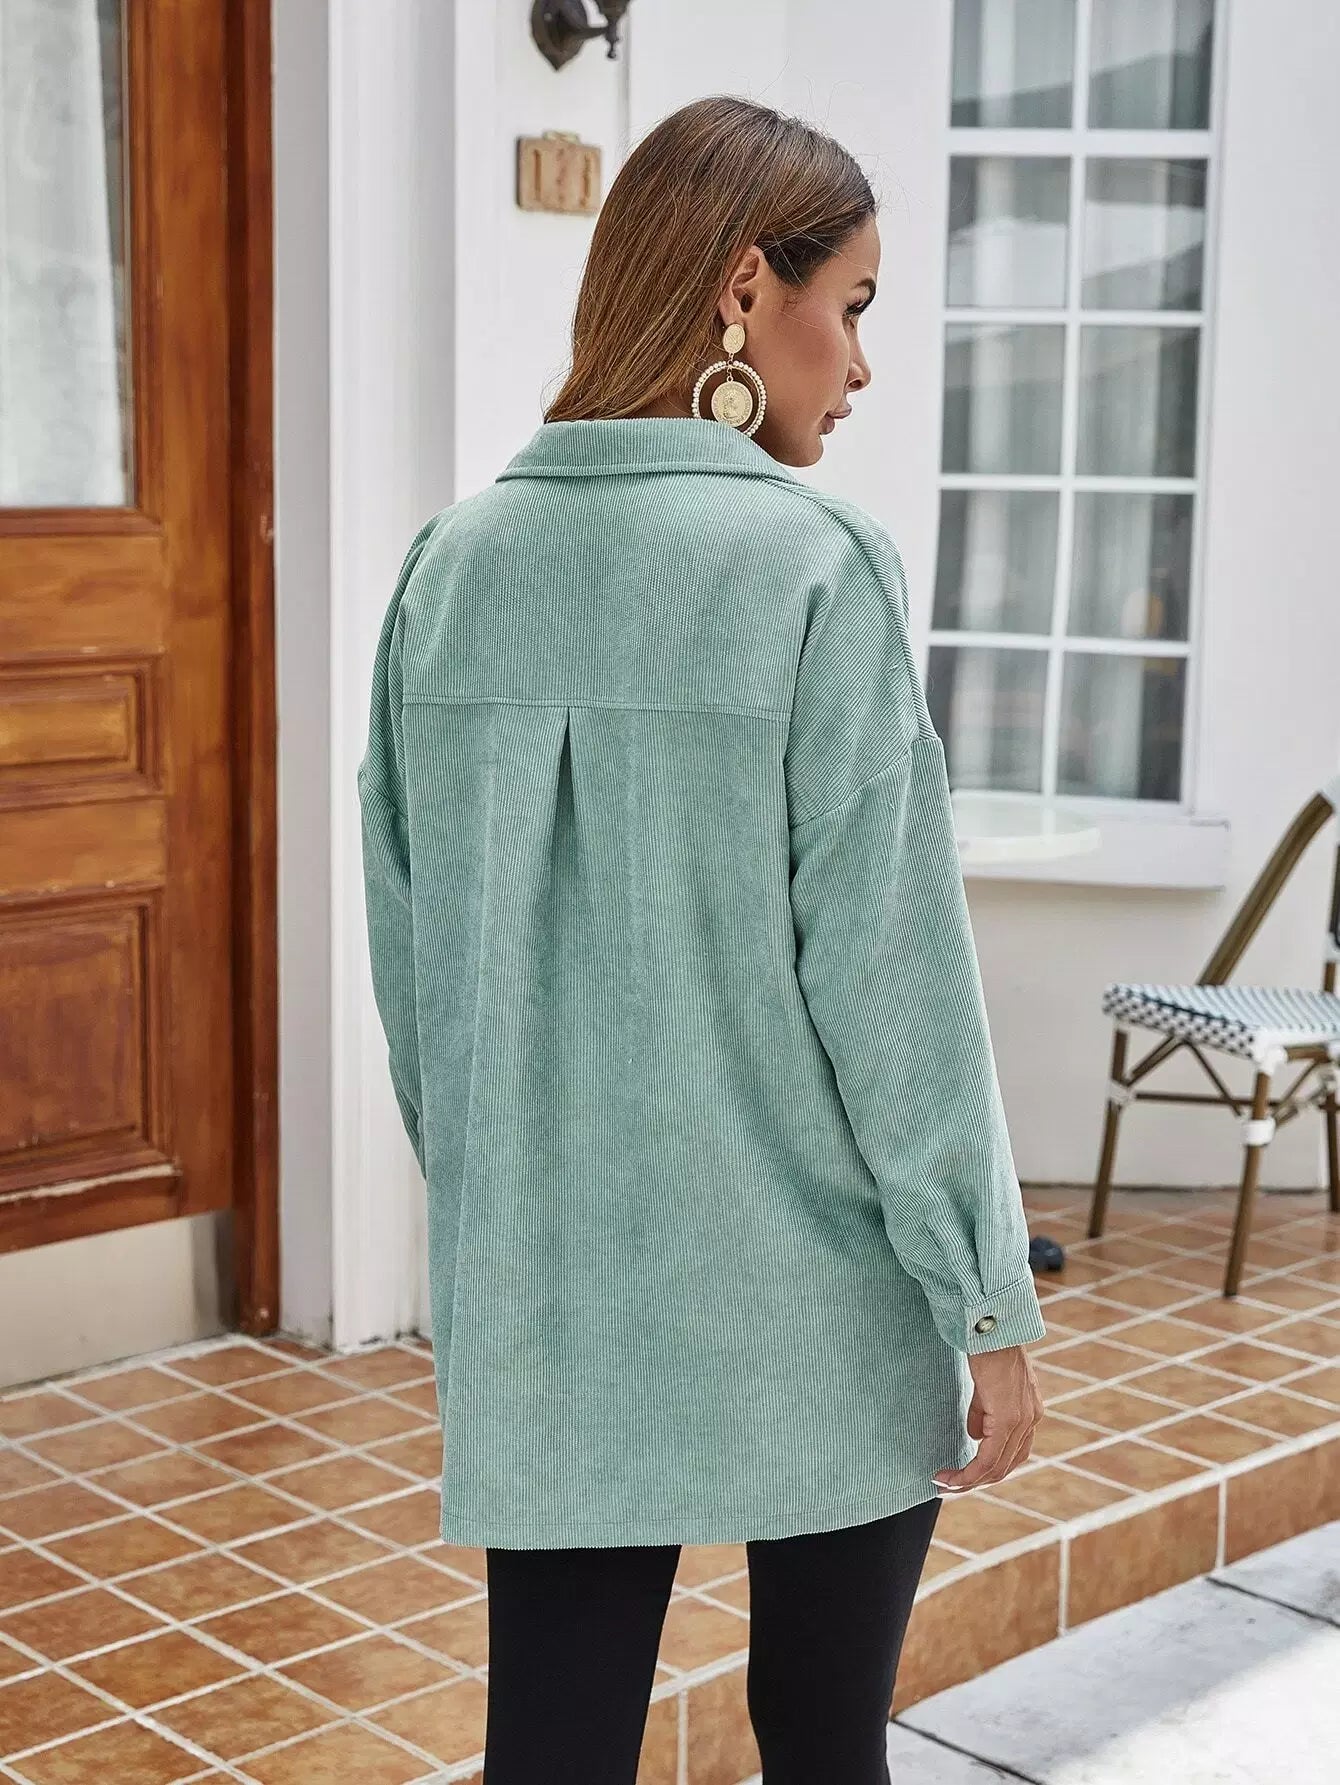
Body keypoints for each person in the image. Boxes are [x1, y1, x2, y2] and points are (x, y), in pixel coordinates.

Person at [358, 93, 1047, 1785]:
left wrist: (512, 1209)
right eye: (852, 305)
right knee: (821, 1738)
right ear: (748, 288)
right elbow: (894, 986)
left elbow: (420, 976)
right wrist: (985, 1293)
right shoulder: (817, 568)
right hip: (824, 1292)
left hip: (558, 1298)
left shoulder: (450, 569)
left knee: (553, 1749)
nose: (860, 366)